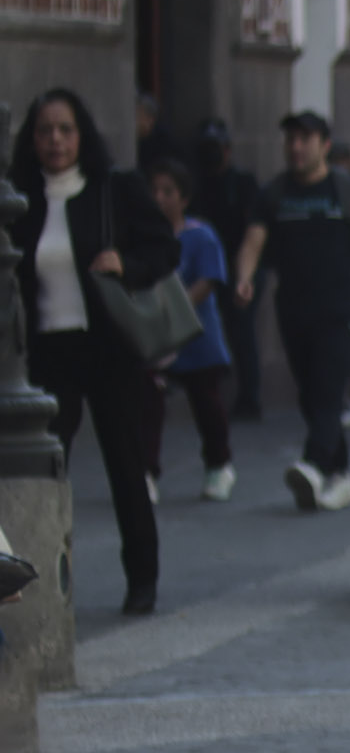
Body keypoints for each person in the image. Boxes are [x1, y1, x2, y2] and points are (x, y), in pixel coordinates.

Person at [9, 89, 179, 613]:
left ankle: (143, 578)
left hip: (107, 348)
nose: (55, 141)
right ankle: (36, 575)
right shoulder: (19, 199)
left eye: (65, 130)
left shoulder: (114, 188)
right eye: (44, 131)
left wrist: (127, 264)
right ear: (31, 140)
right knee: (39, 469)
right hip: (46, 353)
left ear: (82, 135)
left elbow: (165, 247)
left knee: (125, 465)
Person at [233, 109, 350, 511]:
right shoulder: (274, 193)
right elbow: (253, 241)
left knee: (329, 390)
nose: (296, 147)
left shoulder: (348, 191)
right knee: (310, 395)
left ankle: (314, 463)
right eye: (291, 140)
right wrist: (245, 278)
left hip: (340, 307)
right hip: (293, 308)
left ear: (325, 145)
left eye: (305, 139)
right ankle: (341, 475)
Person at [144, 162, 236, 500]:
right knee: (149, 404)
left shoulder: (201, 235)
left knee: (206, 403)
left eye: (168, 192)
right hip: (155, 336)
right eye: (154, 191)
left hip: (196, 335)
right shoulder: (144, 237)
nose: (159, 198)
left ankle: (219, 464)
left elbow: (209, 280)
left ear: (183, 198)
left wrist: (176, 310)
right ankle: (146, 470)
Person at [193, 121, 263, 420]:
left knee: (242, 331)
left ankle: (249, 397)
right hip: (211, 267)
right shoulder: (199, 185)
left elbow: (254, 227)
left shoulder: (242, 183)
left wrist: (246, 272)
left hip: (241, 266)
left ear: (228, 150)